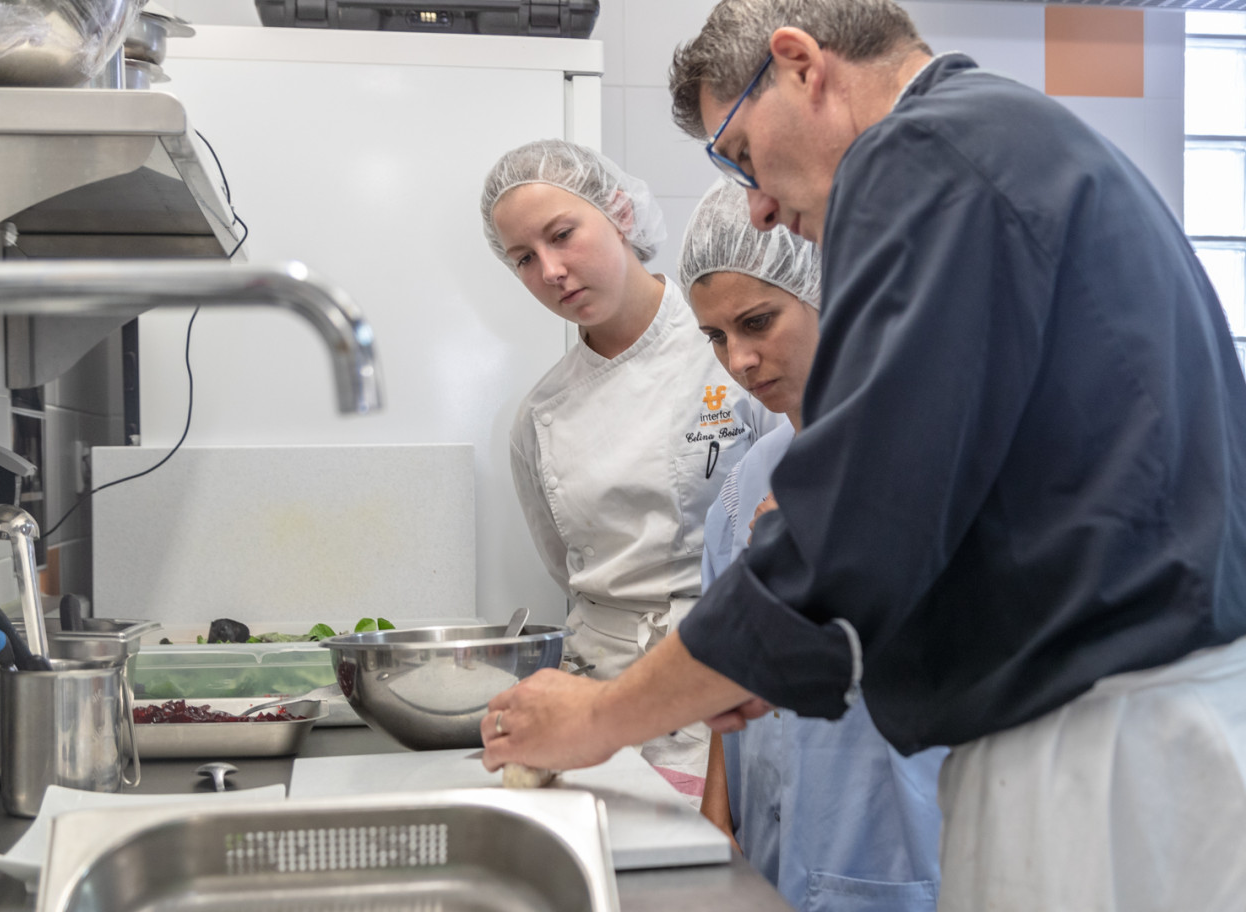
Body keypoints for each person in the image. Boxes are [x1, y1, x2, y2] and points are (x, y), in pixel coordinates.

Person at [481, 2, 1246, 909]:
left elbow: (855, 531)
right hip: (1154, 729)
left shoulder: (919, 155)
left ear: (801, 65)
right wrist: (756, 666)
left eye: (741, 154)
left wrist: (602, 716)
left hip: (1095, 746)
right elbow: (949, 506)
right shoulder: (1005, 137)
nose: (757, 200)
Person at [479, 139, 781, 799]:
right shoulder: (539, 416)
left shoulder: (740, 353)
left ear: (619, 212)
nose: (551, 270)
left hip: (729, 685)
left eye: (562, 235)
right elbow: (566, 566)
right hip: (597, 697)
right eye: (524, 258)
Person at [682, 177, 944, 911]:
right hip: (772, 847)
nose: (738, 361)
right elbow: (721, 671)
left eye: (758, 322)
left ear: (837, 293)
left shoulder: (918, 458)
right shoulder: (744, 486)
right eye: (716, 337)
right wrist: (716, 818)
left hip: (892, 849)